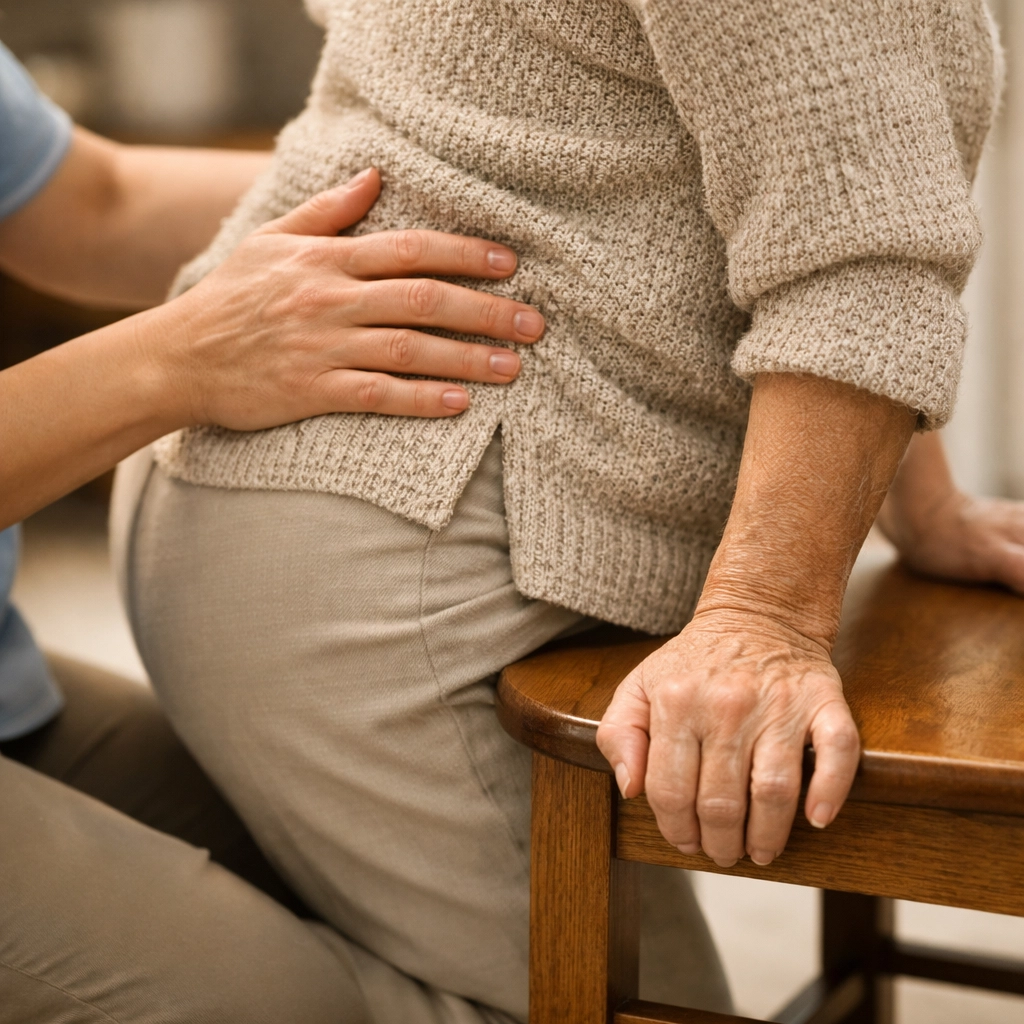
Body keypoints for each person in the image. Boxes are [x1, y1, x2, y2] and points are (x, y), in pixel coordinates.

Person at [5, 5, 1024, 1024]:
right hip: (391, 569)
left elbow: (803, 174)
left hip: (314, 557)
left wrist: (901, 477)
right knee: (546, 1004)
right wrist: (763, 615)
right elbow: (851, 217)